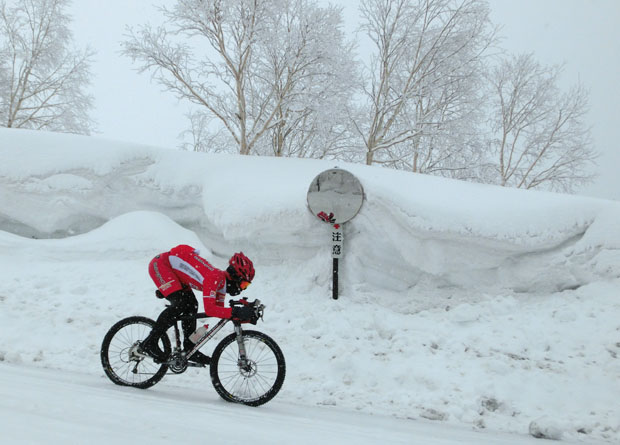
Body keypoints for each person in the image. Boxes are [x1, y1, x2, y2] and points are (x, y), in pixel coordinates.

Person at [139, 244, 256, 365]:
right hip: (161, 265)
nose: (242, 289)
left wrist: (242, 313)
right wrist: (235, 312)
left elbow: (219, 311)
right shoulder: (215, 278)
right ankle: (150, 343)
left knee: (192, 305)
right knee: (181, 303)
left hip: (176, 274)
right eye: (243, 285)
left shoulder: (221, 284)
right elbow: (210, 309)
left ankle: (190, 349)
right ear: (235, 278)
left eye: (246, 286)